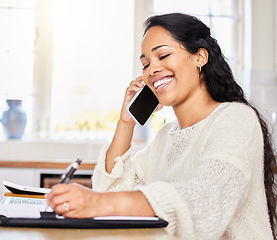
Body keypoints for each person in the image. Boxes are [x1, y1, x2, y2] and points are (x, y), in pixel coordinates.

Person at [45, 13, 277, 239]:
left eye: (163, 56)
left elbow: (206, 201)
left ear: (200, 58)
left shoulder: (236, 119)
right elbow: (110, 193)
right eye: (145, 64)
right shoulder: (166, 135)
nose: (152, 70)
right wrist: (126, 122)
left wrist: (98, 202)